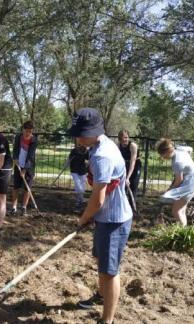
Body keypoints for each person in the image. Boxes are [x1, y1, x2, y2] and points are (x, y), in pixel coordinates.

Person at [69, 108, 132, 324]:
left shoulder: (102, 156)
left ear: (93, 131)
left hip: (113, 220)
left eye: (80, 133)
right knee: (100, 260)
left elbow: (98, 199)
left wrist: (84, 218)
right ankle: (101, 295)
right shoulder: (101, 143)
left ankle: (107, 320)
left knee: (109, 271)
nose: (77, 137)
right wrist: (92, 216)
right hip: (104, 217)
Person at [156, 138, 194, 226]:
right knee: (181, 210)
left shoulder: (177, 163)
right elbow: (190, 149)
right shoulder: (180, 149)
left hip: (189, 182)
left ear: (167, 152)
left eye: (162, 155)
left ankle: (182, 234)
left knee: (176, 211)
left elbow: (179, 180)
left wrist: (169, 190)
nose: (163, 158)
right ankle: (184, 232)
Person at [10, 121, 38, 216]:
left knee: (27, 187)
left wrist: (25, 169)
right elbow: (15, 150)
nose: (28, 133)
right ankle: (14, 207)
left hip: (29, 167)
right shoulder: (18, 137)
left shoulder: (34, 140)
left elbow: (30, 156)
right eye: (26, 131)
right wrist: (15, 158)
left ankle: (23, 207)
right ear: (23, 130)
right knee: (16, 186)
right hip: (18, 164)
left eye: (30, 131)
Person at [67, 142, 90, 214]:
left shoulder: (86, 152)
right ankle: (82, 200)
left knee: (81, 187)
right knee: (78, 186)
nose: (80, 145)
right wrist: (66, 164)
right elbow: (69, 158)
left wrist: (88, 165)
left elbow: (89, 159)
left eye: (81, 144)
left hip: (82, 171)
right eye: (78, 144)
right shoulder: (74, 151)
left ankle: (78, 202)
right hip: (74, 170)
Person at [117, 130, 141, 199]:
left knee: (133, 185)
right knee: (122, 186)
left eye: (126, 137)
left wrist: (127, 178)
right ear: (120, 139)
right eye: (123, 138)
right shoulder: (118, 145)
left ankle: (132, 208)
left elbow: (132, 163)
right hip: (125, 165)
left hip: (135, 166)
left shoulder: (133, 146)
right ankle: (123, 206)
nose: (125, 140)